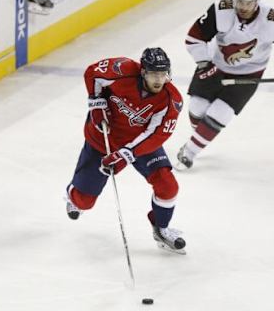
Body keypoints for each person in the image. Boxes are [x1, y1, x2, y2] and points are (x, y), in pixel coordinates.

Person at [176, 0, 274, 170]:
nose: (244, 6)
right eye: (240, 1)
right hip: (214, 65)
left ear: (257, 0)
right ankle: (200, 135)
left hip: (249, 73)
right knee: (197, 109)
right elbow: (193, 38)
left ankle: (189, 151)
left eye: (249, 2)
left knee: (219, 114)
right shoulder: (220, 10)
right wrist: (204, 64)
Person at [64, 48, 186, 254]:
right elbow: (93, 73)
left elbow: (156, 135)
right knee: (83, 202)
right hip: (103, 140)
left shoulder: (171, 99)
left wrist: (127, 153)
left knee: (168, 185)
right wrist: (96, 104)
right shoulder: (122, 69)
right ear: (143, 72)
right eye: (154, 74)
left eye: (163, 74)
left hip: (141, 144)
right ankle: (72, 194)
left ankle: (161, 228)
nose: (159, 79)